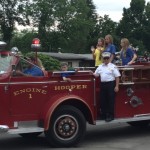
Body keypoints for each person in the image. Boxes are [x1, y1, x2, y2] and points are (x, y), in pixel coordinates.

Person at [93, 52, 121, 122]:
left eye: (107, 58)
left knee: (110, 100)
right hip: (103, 84)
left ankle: (110, 115)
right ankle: (104, 114)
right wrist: (91, 73)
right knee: (103, 100)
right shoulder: (100, 66)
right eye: (104, 58)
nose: (106, 60)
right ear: (102, 59)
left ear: (109, 59)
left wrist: (117, 86)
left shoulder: (112, 66)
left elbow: (117, 76)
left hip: (111, 84)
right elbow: (96, 75)